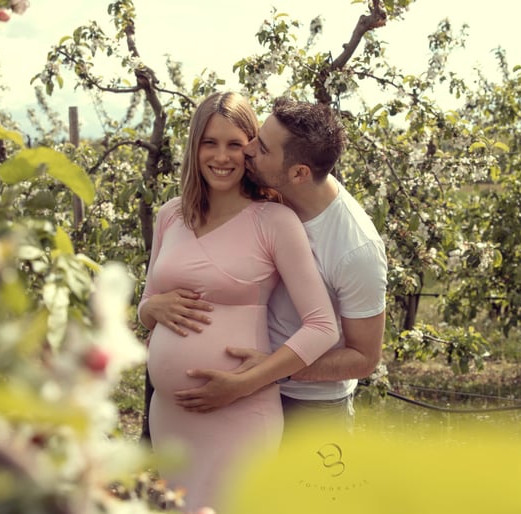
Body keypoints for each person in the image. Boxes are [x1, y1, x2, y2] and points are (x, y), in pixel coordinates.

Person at [137, 92, 338, 512]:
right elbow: (148, 303)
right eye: (209, 143)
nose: (221, 157)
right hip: (171, 418)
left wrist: (245, 383)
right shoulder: (171, 215)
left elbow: (322, 327)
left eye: (234, 144)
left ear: (250, 149)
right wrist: (149, 310)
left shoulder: (274, 221)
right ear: (194, 147)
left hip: (241, 413)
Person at [164, 98, 388, 431]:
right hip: (240, 399)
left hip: (309, 408)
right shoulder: (265, 197)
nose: (248, 149)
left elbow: (364, 358)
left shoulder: (356, 250)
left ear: (298, 173)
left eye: (263, 148)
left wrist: (268, 371)